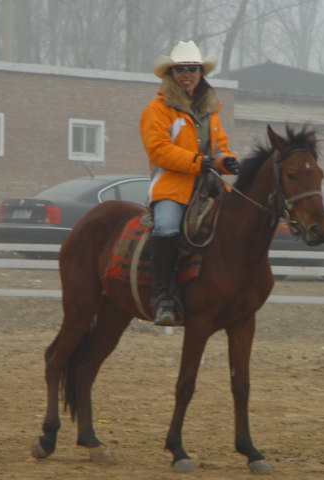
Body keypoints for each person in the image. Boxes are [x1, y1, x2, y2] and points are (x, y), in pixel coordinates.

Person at [140, 40, 240, 326]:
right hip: (172, 187)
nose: (188, 74)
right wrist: (198, 162)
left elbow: (219, 147)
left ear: (201, 73)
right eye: (181, 69)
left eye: (193, 68)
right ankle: (162, 297)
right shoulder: (157, 109)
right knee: (168, 227)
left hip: (208, 185)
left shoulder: (210, 110)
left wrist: (226, 161)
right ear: (171, 73)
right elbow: (158, 149)